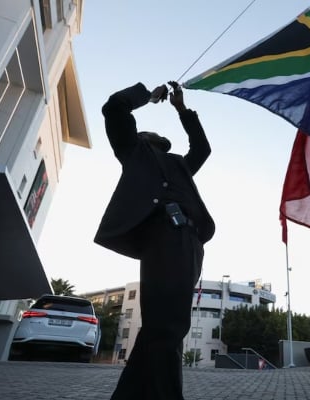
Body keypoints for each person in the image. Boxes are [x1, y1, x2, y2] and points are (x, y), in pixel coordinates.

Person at [94, 81, 215, 400]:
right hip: (163, 237)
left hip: (191, 243)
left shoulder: (179, 164)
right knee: (168, 328)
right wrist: (148, 96)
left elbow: (202, 149)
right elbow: (114, 106)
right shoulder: (134, 153)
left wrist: (181, 109)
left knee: (162, 329)